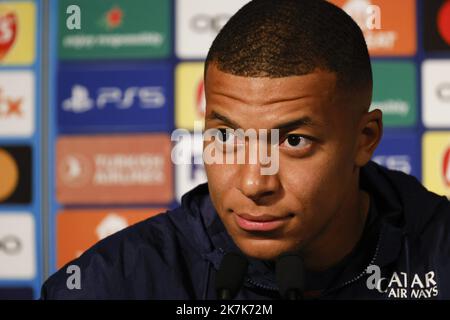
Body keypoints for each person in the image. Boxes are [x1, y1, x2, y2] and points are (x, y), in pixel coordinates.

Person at [41, 0, 450, 299]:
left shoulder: (439, 252)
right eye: (226, 137)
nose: (254, 183)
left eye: (293, 141)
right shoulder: (115, 283)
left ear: (365, 139)